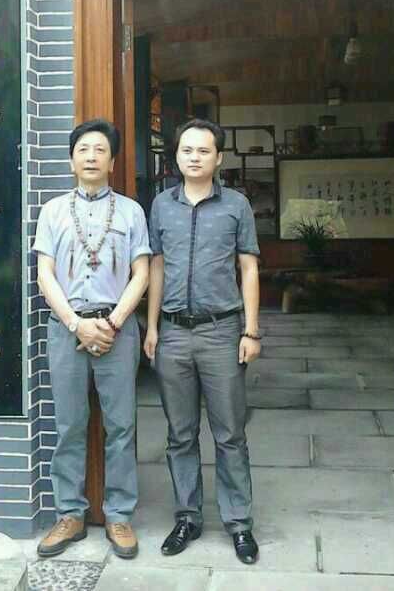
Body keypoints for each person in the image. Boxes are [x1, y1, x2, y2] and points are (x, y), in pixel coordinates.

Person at [144, 118, 262, 565]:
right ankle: (187, 518)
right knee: (180, 434)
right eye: (187, 150)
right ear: (176, 156)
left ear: (218, 158)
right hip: (173, 332)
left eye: (203, 150)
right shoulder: (161, 205)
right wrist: (152, 327)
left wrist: (251, 330)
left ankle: (239, 523)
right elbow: (156, 266)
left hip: (221, 332)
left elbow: (248, 267)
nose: (194, 157)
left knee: (230, 432)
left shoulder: (236, 205)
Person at [34, 118, 150, 559]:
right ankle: (70, 514)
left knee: (121, 426)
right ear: (71, 160)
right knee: (69, 426)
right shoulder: (52, 211)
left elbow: (142, 274)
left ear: (113, 161)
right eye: (83, 149)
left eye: (100, 149)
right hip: (67, 329)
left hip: (117, 329)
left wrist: (113, 324)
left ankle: (119, 515)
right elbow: (44, 274)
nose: (91, 156)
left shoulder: (131, 212)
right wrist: (76, 324)